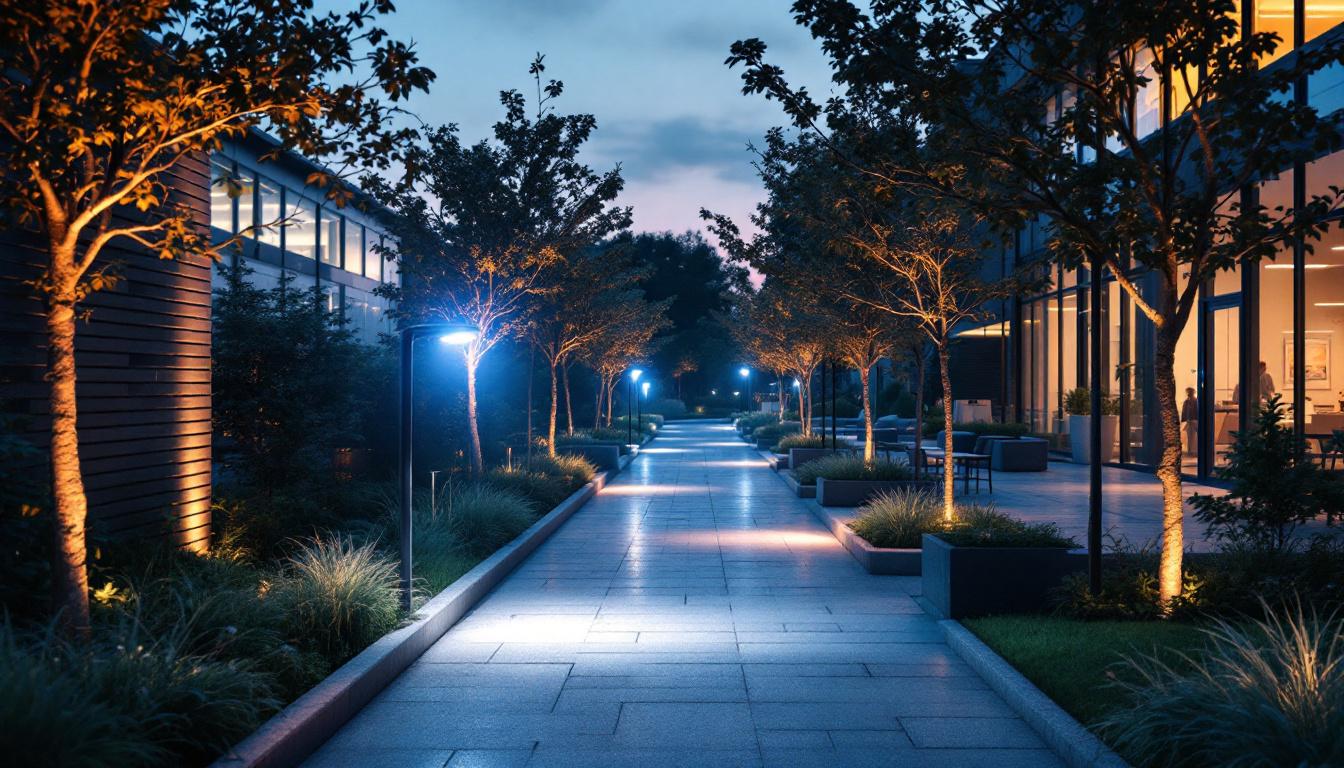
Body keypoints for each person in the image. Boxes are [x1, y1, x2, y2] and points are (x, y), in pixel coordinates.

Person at [1181, 386, 1199, 456]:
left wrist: (1184, 420)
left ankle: (1192, 451)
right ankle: (1191, 451)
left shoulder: (1190, 401)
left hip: (1192, 421)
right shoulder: (1190, 401)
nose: (1188, 393)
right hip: (1191, 421)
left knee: (1191, 436)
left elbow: (1184, 412)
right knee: (1191, 436)